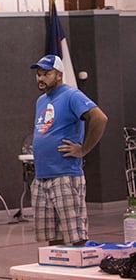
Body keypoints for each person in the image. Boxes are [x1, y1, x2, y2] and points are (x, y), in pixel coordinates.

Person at [30, 54, 108, 246]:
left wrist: (84, 149)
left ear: (58, 75)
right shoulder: (41, 101)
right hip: (42, 176)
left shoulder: (72, 95)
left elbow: (100, 118)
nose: (41, 78)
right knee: (52, 237)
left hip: (65, 175)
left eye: (46, 74)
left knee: (75, 235)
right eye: (38, 74)